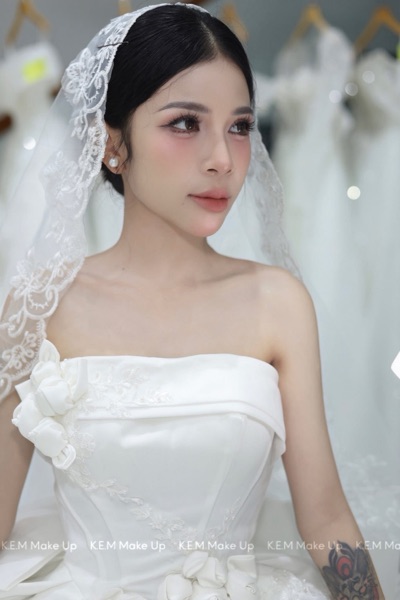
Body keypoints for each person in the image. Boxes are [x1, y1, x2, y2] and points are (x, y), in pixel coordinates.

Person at [0, 3, 386, 598]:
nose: (223, 160)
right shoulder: (42, 306)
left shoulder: (278, 304)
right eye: (185, 123)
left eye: (240, 126)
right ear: (112, 143)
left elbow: (326, 517)